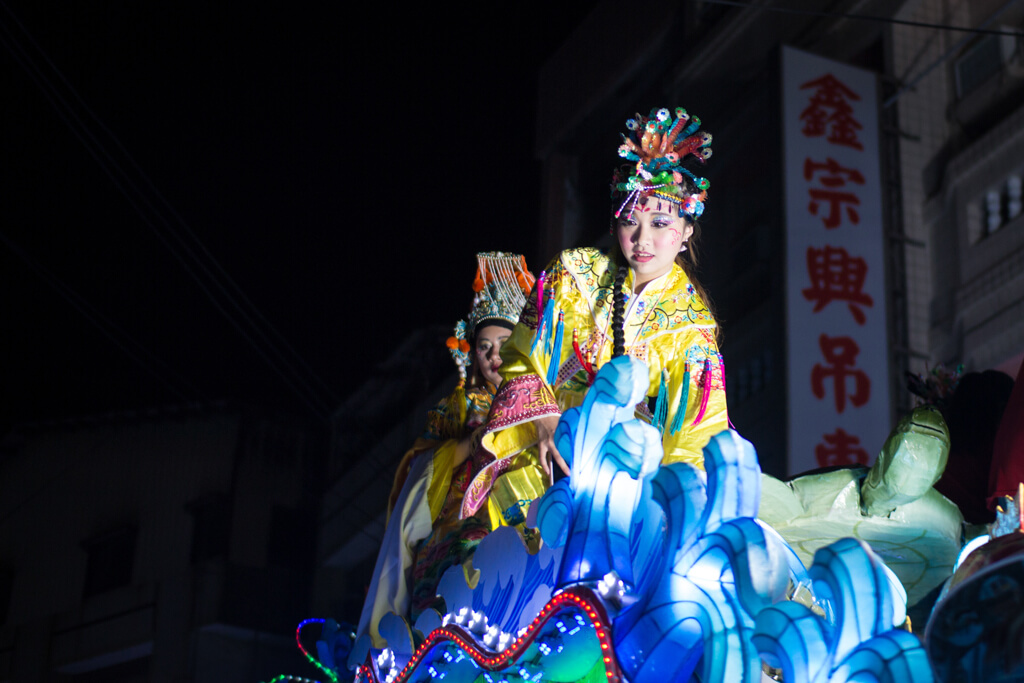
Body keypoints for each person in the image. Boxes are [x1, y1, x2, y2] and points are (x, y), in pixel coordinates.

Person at [461, 107, 729, 531]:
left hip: (632, 482)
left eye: (660, 223)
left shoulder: (692, 328)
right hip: (545, 454)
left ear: (687, 231)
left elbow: (696, 433)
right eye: (629, 222)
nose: (642, 240)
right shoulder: (573, 274)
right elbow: (522, 357)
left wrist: (669, 504)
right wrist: (546, 422)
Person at [356, 252, 535, 647]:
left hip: (517, 520)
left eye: (503, 344)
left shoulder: (539, 401)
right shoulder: (459, 405)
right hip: (457, 529)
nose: (492, 355)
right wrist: (472, 442)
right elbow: (421, 467)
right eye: (484, 346)